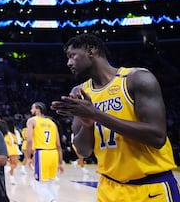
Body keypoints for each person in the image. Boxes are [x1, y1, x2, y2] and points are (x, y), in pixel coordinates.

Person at [52, 33, 180, 202]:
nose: (69, 63)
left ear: (92, 50)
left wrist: (96, 114)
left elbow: (157, 136)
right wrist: (87, 124)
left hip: (151, 188)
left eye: (72, 55)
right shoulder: (80, 92)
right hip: (108, 189)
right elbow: (83, 151)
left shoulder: (136, 79)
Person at [24, 102, 63, 202]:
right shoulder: (52, 123)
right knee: (50, 184)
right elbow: (58, 145)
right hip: (54, 153)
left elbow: (29, 140)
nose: (31, 110)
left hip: (42, 154)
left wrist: (28, 157)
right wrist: (60, 162)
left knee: (39, 186)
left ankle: (52, 200)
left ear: (37, 109)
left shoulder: (32, 121)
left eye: (32, 108)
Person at [0, 119, 20, 185]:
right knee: (14, 164)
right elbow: (15, 142)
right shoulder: (9, 134)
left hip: (4, 151)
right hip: (12, 150)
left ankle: (12, 178)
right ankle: (9, 171)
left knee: (11, 164)